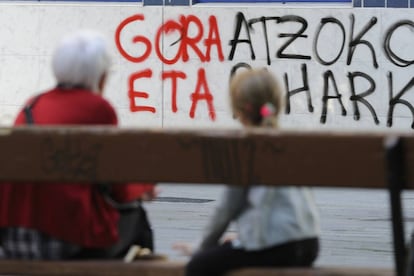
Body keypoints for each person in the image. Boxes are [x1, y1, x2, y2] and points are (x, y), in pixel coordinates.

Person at [0, 30, 157, 260]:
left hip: (15, 238)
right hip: (64, 240)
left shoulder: (31, 106)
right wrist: (142, 190)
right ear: (100, 76)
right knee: (135, 215)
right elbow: (117, 182)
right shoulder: (98, 109)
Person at [174, 68, 320, 276]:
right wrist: (244, 237)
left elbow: (226, 210)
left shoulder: (245, 149)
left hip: (275, 247)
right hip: (308, 243)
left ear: (239, 110)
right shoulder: (290, 143)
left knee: (198, 266)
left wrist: (200, 248)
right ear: (277, 105)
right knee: (233, 249)